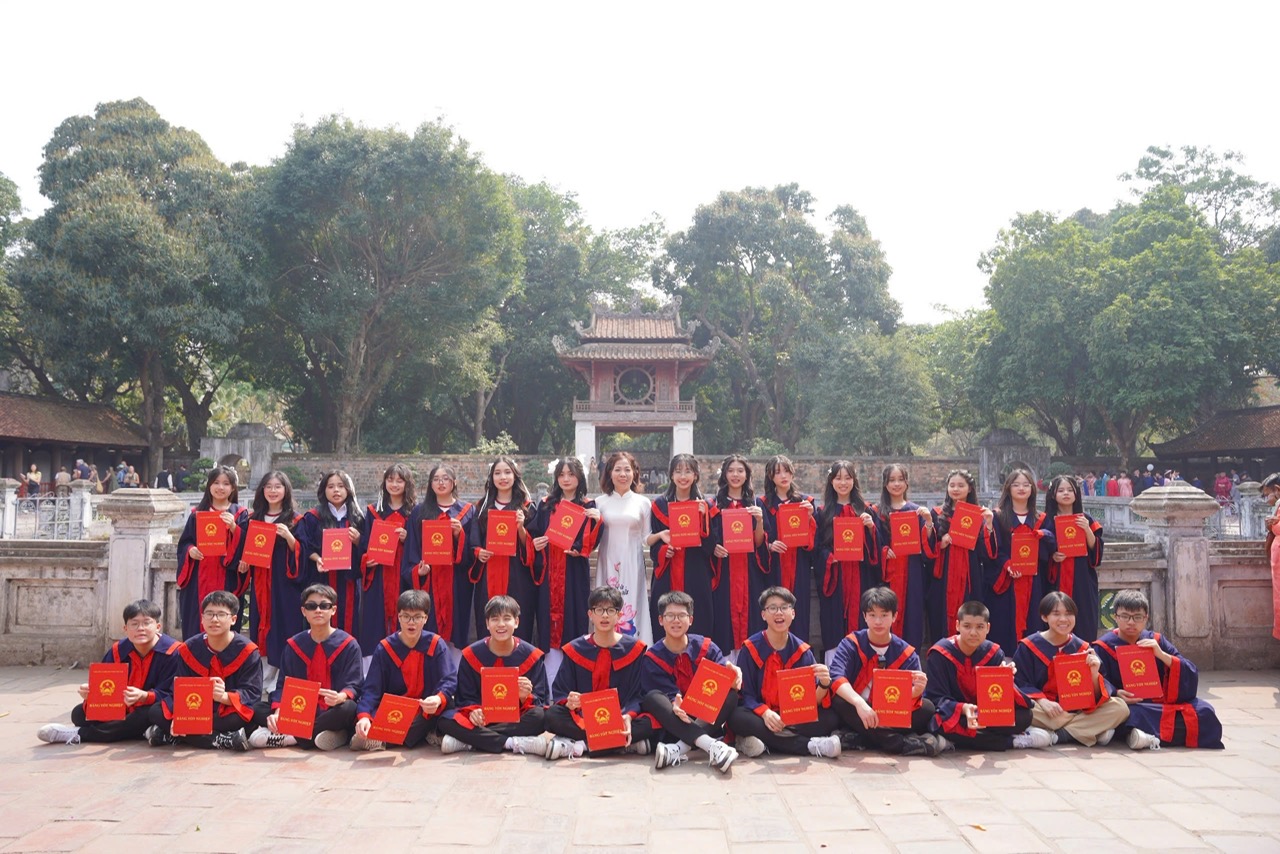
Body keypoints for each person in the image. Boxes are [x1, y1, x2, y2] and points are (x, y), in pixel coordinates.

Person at [37, 599, 181, 745]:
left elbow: (175, 694)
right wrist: (91, 694)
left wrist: (145, 696)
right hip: (124, 706)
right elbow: (106, 685)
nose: (140, 628)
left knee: (149, 713)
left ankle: (80, 734)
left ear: (158, 627)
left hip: (152, 706)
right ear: (125, 628)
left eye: (146, 623)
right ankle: (147, 731)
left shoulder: (174, 652)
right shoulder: (118, 650)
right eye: (134, 624)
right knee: (79, 713)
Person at [1093, 589, 1224, 749]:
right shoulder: (1103, 646)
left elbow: (1188, 670)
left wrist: (1161, 655)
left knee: (1205, 711)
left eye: (1137, 617)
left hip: (1159, 702)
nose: (1131, 622)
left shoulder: (1156, 641)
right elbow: (1097, 679)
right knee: (1127, 713)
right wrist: (1115, 692)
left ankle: (1138, 735)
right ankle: (1137, 734)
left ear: (1146, 618)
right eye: (1125, 616)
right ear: (1115, 617)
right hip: (1132, 704)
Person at [829, 587, 946, 756]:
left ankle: (862, 737)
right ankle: (897, 743)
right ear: (864, 617)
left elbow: (909, 696)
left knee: (927, 708)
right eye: (872, 615)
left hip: (891, 710)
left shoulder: (906, 653)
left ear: (894, 617)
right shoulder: (851, 643)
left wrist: (917, 691)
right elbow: (836, 676)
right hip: (860, 708)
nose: (878, 621)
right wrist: (860, 704)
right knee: (839, 701)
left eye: (884, 615)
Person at [728, 586, 841, 759]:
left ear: (793, 613)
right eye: (772, 608)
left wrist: (825, 684)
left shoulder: (802, 652)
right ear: (763, 615)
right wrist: (766, 713)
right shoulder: (750, 649)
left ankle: (759, 741)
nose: (778, 613)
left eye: (784, 607)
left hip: (792, 717)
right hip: (760, 715)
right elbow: (746, 695)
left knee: (831, 717)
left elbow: (811, 701)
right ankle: (810, 746)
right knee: (736, 717)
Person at [926, 600, 1052, 750]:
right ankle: (1011, 742)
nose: (973, 633)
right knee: (935, 720)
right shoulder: (940, 654)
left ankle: (955, 740)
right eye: (967, 626)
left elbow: (1000, 700)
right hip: (957, 712)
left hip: (985, 713)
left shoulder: (993, 653)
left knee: (1024, 716)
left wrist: (1007, 681)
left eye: (980, 627)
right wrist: (964, 708)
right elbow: (936, 697)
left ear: (988, 628)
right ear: (957, 626)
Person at [249, 584, 363, 750]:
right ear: (304, 611)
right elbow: (283, 685)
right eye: (311, 606)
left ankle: (291, 737)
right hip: (300, 709)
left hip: (332, 709)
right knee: (256, 707)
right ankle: (331, 735)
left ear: (333, 610)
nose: (318, 610)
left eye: (324, 606)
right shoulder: (294, 645)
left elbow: (355, 684)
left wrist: (341, 696)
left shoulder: (348, 644)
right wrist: (278, 712)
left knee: (349, 708)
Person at [545, 586, 653, 760]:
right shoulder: (576, 649)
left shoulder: (634, 650)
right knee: (551, 716)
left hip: (620, 716)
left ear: (619, 615)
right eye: (599, 610)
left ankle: (584, 745)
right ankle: (620, 744)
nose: (604, 615)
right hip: (584, 719)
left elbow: (639, 694)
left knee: (650, 721)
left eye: (611, 610)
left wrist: (628, 715)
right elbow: (561, 691)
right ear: (590, 614)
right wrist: (569, 702)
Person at [146, 590, 262, 750]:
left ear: (234, 619)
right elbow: (180, 687)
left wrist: (224, 697)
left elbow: (252, 692)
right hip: (193, 708)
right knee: (156, 711)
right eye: (209, 614)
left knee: (245, 715)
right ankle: (222, 739)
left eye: (221, 614)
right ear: (202, 618)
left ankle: (173, 735)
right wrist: (182, 717)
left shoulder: (248, 651)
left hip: (224, 710)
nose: (214, 619)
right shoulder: (189, 648)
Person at [437, 595, 551, 755]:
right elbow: (464, 698)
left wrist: (525, 697)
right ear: (487, 624)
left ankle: (469, 740)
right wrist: (474, 712)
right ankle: (512, 743)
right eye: (495, 619)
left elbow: (541, 701)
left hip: (516, 717)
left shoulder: (532, 656)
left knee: (540, 717)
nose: (501, 624)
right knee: (445, 719)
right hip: (482, 717)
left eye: (507, 618)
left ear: (516, 622)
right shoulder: (472, 655)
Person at [640, 590, 741, 772]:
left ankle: (678, 749)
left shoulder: (707, 648)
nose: (676, 620)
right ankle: (712, 746)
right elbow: (665, 695)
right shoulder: (653, 657)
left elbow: (724, 681)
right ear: (661, 620)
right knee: (653, 698)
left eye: (681, 615)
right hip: (674, 720)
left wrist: (733, 678)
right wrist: (674, 704)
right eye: (670, 615)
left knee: (731, 696)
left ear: (691, 620)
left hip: (705, 716)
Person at [1012, 592, 1130, 746]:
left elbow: (1097, 695)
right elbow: (1019, 682)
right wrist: (1042, 701)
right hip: (1045, 709)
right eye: (1056, 614)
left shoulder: (1084, 648)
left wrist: (1094, 674)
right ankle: (1088, 731)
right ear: (1044, 617)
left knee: (1120, 708)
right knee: (1016, 710)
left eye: (1069, 614)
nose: (1063, 619)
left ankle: (1056, 735)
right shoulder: (1028, 647)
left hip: (1077, 709)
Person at [352, 589, 456, 751]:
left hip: (425, 707)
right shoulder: (386, 648)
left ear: (426, 618)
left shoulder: (436, 644)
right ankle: (426, 734)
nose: (411, 622)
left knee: (447, 705)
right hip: (397, 708)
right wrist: (364, 717)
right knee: (374, 718)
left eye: (417, 617)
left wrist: (437, 698)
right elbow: (372, 688)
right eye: (406, 616)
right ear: (399, 617)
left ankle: (381, 741)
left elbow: (449, 680)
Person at [229, 471, 301, 680]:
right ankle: (263, 679)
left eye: (278, 486)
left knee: (285, 626)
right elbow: (242, 548)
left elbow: (302, 552)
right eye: (268, 486)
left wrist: (289, 537)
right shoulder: (253, 519)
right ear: (262, 490)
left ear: (286, 490)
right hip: (260, 583)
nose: (272, 491)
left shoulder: (296, 520)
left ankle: (284, 680)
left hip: (284, 584)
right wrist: (243, 561)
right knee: (261, 626)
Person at [529, 457, 601, 667]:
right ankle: (549, 678)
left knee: (574, 617)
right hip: (549, 572)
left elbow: (592, 541)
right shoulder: (545, 505)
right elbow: (533, 534)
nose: (566, 479)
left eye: (571, 474)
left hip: (573, 571)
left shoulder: (588, 506)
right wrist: (536, 543)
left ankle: (573, 674)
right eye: (561, 475)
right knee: (546, 620)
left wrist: (597, 521)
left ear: (580, 477)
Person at [402, 463, 476, 652]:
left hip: (457, 582)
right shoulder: (419, 512)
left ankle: (457, 675)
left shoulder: (467, 511)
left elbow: (472, 550)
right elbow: (412, 549)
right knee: (431, 629)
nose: (440, 483)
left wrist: (460, 535)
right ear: (430, 484)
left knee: (458, 629)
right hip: (430, 581)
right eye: (436, 479)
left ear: (454, 482)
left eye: (445, 478)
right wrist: (418, 570)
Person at [468, 456, 538, 644]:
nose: (503, 477)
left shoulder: (527, 506)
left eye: (507, 472)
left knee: (517, 621)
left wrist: (521, 527)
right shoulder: (482, 507)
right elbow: (473, 542)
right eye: (497, 473)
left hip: (517, 574)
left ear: (515, 476)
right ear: (491, 478)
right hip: (489, 572)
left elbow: (533, 547)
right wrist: (478, 553)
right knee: (489, 618)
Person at [647, 454, 715, 640]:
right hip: (668, 572)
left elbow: (711, 547)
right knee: (664, 617)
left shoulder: (706, 505)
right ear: (671, 475)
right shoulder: (660, 505)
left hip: (696, 572)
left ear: (696, 476)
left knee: (698, 620)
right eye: (678, 471)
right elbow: (655, 544)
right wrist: (663, 551)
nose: (683, 476)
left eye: (688, 471)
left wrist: (704, 519)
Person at [814, 460, 879, 657]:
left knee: (861, 619)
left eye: (848, 478)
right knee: (834, 624)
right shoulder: (823, 512)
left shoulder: (867, 510)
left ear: (854, 481)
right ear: (831, 481)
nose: (843, 483)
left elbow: (876, 550)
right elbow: (817, 549)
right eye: (838, 478)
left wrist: (871, 529)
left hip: (860, 576)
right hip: (836, 579)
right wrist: (829, 558)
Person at [176, 465, 248, 640]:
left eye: (226, 483)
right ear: (209, 485)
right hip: (199, 576)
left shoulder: (240, 513)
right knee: (196, 620)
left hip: (227, 576)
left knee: (225, 618)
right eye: (216, 482)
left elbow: (247, 547)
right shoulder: (197, 513)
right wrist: (190, 550)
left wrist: (234, 528)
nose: (221, 487)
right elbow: (185, 542)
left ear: (232, 488)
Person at [868, 463, 936, 651]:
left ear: (907, 483)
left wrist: (929, 523)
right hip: (888, 575)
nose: (896, 484)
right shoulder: (876, 512)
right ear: (885, 484)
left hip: (912, 572)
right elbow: (873, 544)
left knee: (912, 618)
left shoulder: (917, 511)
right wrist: (883, 551)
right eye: (892, 480)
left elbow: (928, 550)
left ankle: (908, 662)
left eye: (900, 480)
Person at [984, 467, 1049, 655]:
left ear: (1032, 489)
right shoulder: (997, 516)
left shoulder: (1040, 519)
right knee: (1004, 623)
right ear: (1008, 488)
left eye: (1026, 485)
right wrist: (1007, 565)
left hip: (1032, 581)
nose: (1021, 488)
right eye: (1016, 484)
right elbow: (994, 550)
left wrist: (1044, 537)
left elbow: (1046, 550)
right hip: (1006, 582)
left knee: (1033, 622)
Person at [706, 454, 767, 653]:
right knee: (725, 619)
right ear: (724, 474)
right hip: (725, 571)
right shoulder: (714, 505)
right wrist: (714, 547)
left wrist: (759, 521)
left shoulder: (755, 504)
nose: (735, 475)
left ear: (746, 475)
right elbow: (709, 538)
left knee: (750, 616)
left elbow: (759, 542)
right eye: (731, 471)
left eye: (740, 471)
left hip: (748, 570)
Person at [356, 464, 415, 661]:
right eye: (390, 480)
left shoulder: (414, 513)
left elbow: (422, 546)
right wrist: (368, 561)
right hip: (379, 575)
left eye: (399, 480)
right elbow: (365, 545)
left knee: (405, 614)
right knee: (375, 620)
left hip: (403, 574)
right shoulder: (374, 511)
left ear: (407, 484)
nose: (395, 484)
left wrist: (408, 538)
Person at [928, 469, 992, 648]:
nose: (956, 489)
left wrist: (988, 525)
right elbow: (927, 549)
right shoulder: (937, 514)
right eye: (952, 485)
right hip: (944, 575)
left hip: (969, 574)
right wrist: (941, 544)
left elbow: (985, 553)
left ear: (970, 488)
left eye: (961, 485)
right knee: (941, 614)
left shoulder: (978, 515)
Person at [295, 470, 363, 636]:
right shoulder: (313, 517)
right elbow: (304, 545)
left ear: (348, 489)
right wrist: (317, 559)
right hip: (322, 577)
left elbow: (368, 549)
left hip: (350, 580)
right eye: (331, 486)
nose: (336, 490)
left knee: (350, 620)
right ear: (324, 490)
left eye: (341, 486)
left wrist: (359, 540)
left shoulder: (358, 518)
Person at [594, 451, 653, 643]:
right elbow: (591, 537)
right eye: (617, 469)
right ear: (609, 473)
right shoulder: (599, 503)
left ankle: (635, 648)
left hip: (632, 562)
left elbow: (647, 537)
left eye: (627, 469)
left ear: (635, 473)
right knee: (604, 603)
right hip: (607, 559)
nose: (623, 474)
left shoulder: (643, 503)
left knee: (632, 603)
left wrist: (664, 537)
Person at [760, 455, 818, 644]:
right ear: (771, 477)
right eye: (777, 472)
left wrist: (809, 517)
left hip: (799, 565)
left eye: (786, 471)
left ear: (793, 473)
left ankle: (798, 657)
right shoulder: (763, 503)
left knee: (798, 613)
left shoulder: (804, 502)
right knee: (773, 609)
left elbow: (813, 543)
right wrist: (769, 546)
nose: (783, 476)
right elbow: (761, 538)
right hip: (775, 566)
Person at [1041, 475, 1103, 642]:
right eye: (1061, 490)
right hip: (1056, 578)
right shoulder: (1045, 521)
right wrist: (1052, 556)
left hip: (1081, 579)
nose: (1066, 493)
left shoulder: (1086, 519)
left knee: (1083, 619)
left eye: (1070, 490)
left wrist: (1087, 530)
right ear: (1053, 494)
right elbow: (1039, 553)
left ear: (1077, 494)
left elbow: (1096, 554)